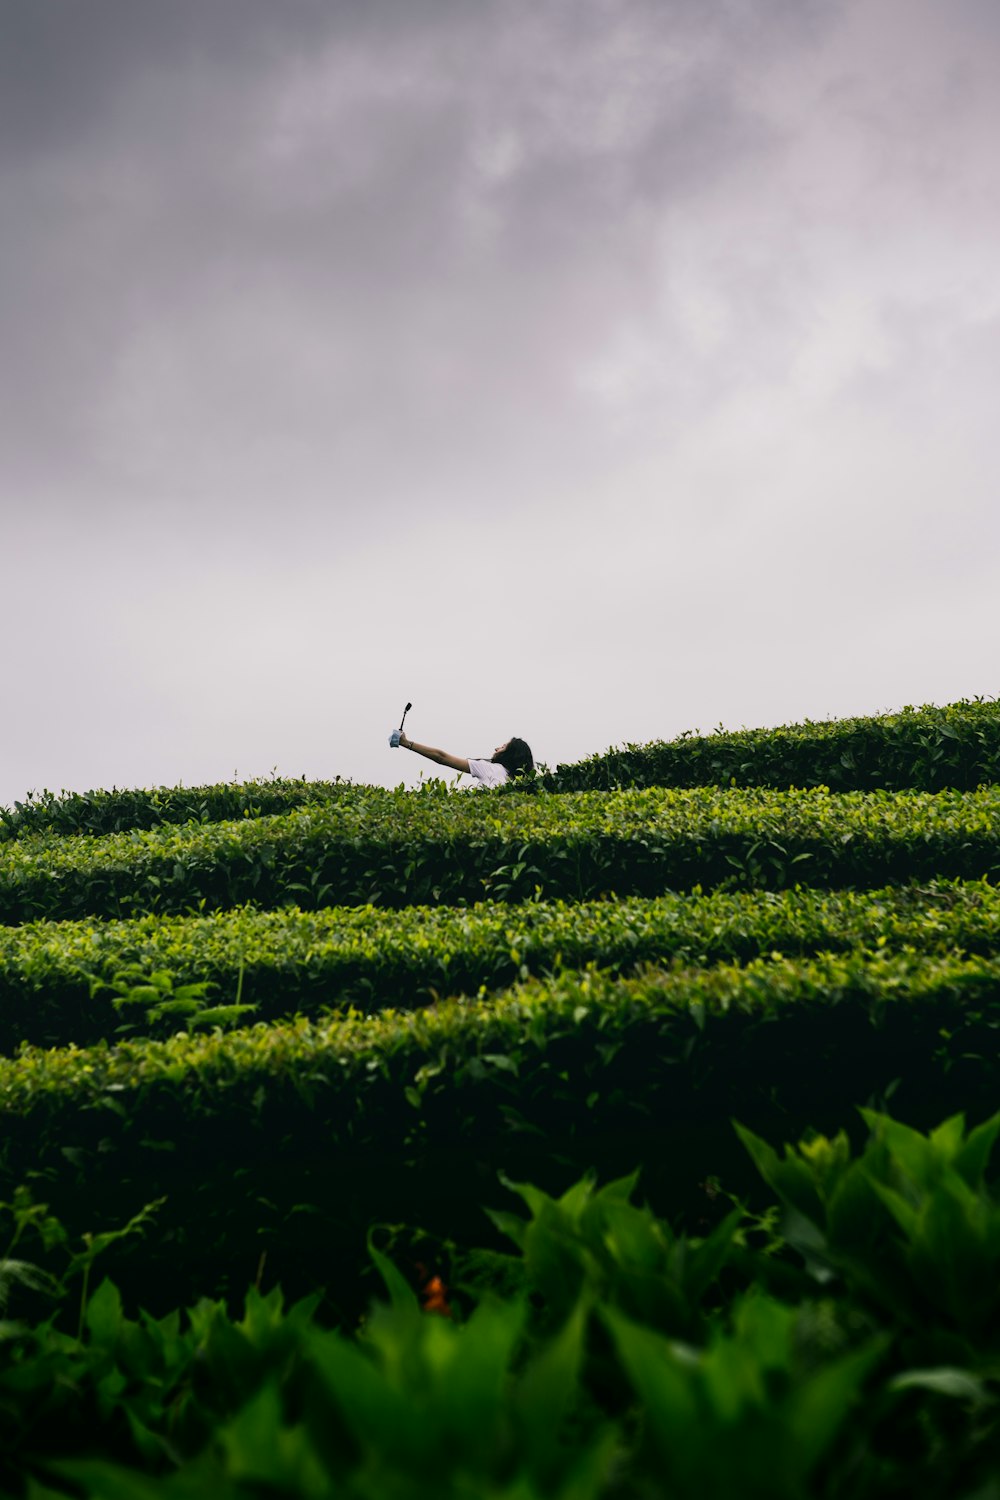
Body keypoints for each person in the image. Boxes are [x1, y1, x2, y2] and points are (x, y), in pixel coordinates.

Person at [395, 732, 534, 787]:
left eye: (503, 747)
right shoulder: (523, 785)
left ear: (510, 754)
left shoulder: (490, 768)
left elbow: (441, 757)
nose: (496, 748)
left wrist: (407, 743)